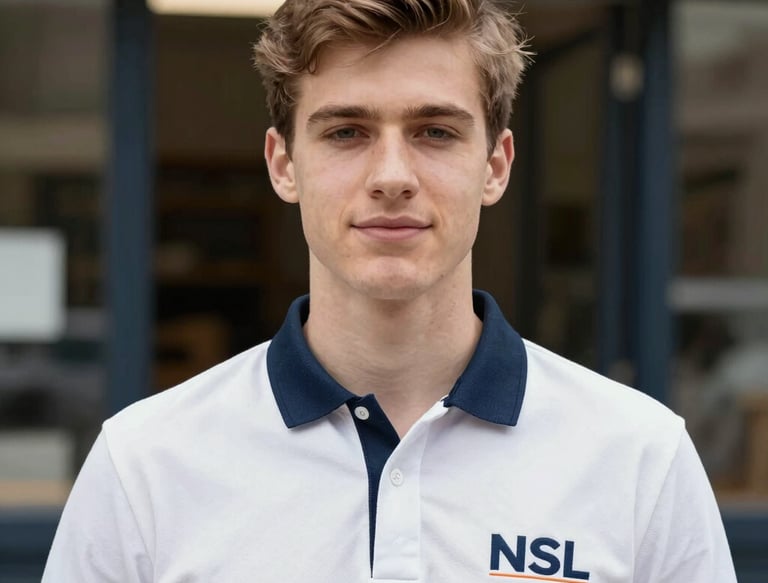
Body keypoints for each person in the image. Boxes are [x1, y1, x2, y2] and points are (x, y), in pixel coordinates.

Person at [43, 1, 736, 581]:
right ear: (284, 165)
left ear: (495, 165)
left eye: (435, 130)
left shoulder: (640, 457)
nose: (392, 174)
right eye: (347, 131)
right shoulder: (145, 465)